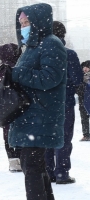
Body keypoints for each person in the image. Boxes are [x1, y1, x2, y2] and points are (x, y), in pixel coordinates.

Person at [9, 3, 67, 200]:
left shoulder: (51, 43)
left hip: (40, 117)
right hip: (31, 117)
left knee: (32, 169)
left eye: (27, 22)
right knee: (35, 169)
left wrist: (17, 73)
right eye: (21, 23)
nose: (23, 26)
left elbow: (51, 77)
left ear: (39, 23)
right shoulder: (31, 48)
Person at [45, 21, 83, 185]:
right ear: (63, 34)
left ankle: (48, 172)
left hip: (44, 104)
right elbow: (77, 79)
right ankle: (61, 173)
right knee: (63, 139)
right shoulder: (69, 54)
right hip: (64, 103)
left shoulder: (40, 54)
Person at [0, 43, 22, 172]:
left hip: (5, 108)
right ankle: (21, 160)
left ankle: (13, 161)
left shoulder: (0, 69)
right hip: (19, 106)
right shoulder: (17, 67)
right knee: (20, 132)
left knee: (8, 134)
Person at [76, 60, 90, 141]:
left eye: (87, 67)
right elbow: (77, 88)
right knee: (84, 117)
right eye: (84, 67)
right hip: (83, 100)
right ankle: (86, 135)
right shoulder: (80, 77)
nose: (85, 69)